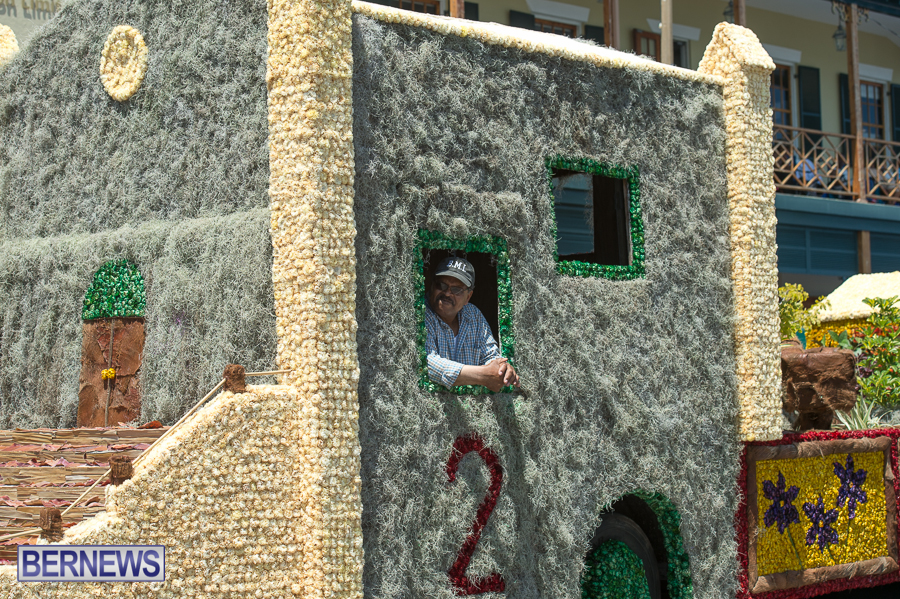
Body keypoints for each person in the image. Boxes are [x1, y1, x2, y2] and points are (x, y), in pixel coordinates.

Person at [425, 256, 519, 392]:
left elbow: (491, 356)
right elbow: (427, 363)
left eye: (456, 289)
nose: (447, 293)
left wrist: (502, 370)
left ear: (468, 297)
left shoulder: (473, 315)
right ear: (432, 285)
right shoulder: (421, 312)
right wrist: (483, 376)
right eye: (441, 285)